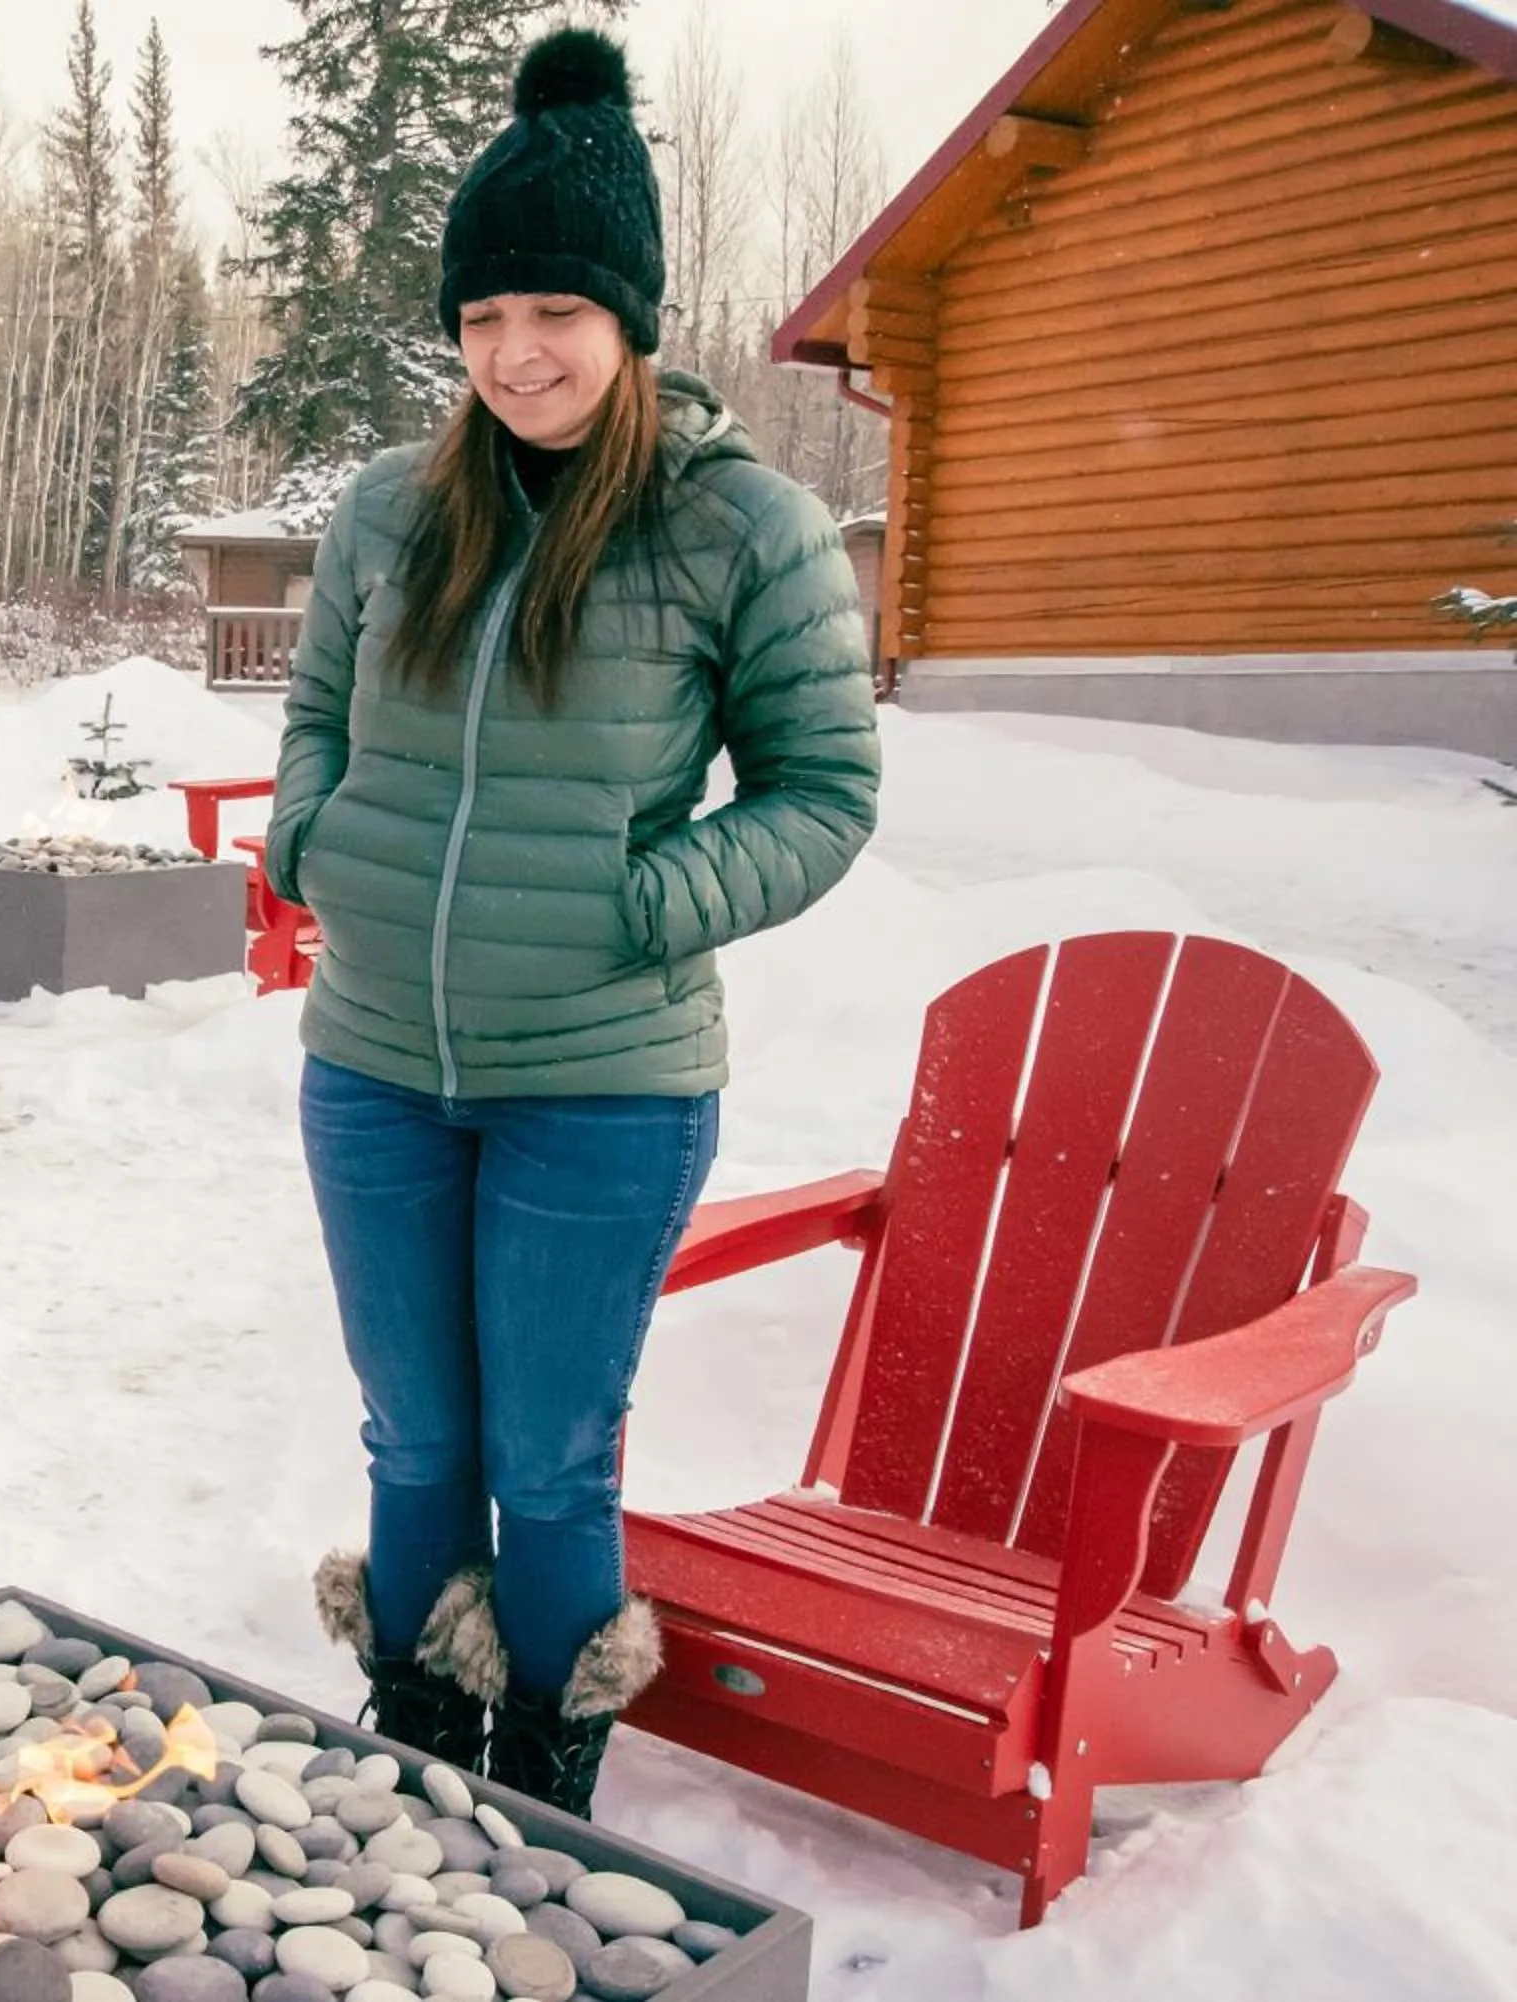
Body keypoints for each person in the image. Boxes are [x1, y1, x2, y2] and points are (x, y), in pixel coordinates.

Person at [271, 25, 882, 1816]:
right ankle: (408, 1778)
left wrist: (636, 906)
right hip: (374, 1059)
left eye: (555, 312)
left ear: (631, 321)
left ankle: (535, 1802)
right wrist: (319, 840)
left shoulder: (736, 527)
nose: (515, 353)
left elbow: (823, 793)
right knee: (414, 1439)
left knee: (545, 1461)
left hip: (603, 1082)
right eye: (480, 321)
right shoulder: (393, 508)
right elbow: (313, 712)